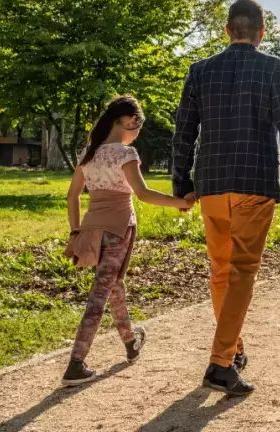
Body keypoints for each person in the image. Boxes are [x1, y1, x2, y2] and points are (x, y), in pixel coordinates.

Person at [172, 0, 280, 396]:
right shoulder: (275, 69)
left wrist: (180, 182)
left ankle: (232, 349)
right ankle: (221, 363)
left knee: (221, 272)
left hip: (212, 184)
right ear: (262, 31)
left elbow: (184, 132)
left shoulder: (200, 71)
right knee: (241, 273)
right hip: (254, 182)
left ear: (227, 30)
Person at [62, 95, 192, 387]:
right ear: (129, 120)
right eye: (138, 125)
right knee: (100, 293)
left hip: (92, 227)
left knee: (112, 285)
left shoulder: (89, 152)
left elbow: (72, 197)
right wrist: (180, 202)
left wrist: (75, 231)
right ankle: (76, 362)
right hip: (120, 228)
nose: (137, 131)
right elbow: (143, 194)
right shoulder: (125, 154)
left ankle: (131, 343)